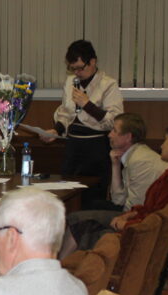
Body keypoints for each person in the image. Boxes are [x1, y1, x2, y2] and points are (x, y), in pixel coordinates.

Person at [61, 123, 168, 256]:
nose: (161, 145)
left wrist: (127, 224)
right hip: (145, 226)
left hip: (146, 237)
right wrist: (131, 215)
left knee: (87, 229)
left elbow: (161, 220)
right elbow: (153, 209)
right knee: (82, 223)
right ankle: (63, 268)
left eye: (165, 140)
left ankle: (67, 268)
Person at [42, 40, 123, 208]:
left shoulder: (108, 84)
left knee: (92, 198)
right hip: (73, 146)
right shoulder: (70, 82)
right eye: (73, 69)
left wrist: (88, 105)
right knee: (67, 195)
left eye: (80, 68)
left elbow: (114, 121)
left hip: (96, 147)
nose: (77, 73)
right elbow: (66, 112)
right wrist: (56, 130)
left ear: (92, 62)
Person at [99, 112, 168, 211]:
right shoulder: (134, 155)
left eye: (114, 130)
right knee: (94, 204)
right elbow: (118, 200)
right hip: (140, 212)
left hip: (148, 215)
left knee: (82, 215)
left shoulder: (140, 161)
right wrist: (115, 165)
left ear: (128, 137)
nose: (109, 135)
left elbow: (135, 208)